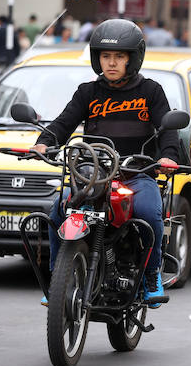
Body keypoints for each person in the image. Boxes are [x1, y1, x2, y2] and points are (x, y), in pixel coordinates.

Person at [30, 19, 182, 308]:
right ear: (97, 58)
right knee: (58, 209)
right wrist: (44, 142)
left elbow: (168, 131)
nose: (111, 63)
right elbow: (63, 124)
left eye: (119, 57)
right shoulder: (88, 92)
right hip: (92, 175)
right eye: (106, 56)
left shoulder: (151, 91)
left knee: (150, 214)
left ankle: (151, 277)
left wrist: (168, 157)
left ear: (133, 59)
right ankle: (56, 281)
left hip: (136, 174)